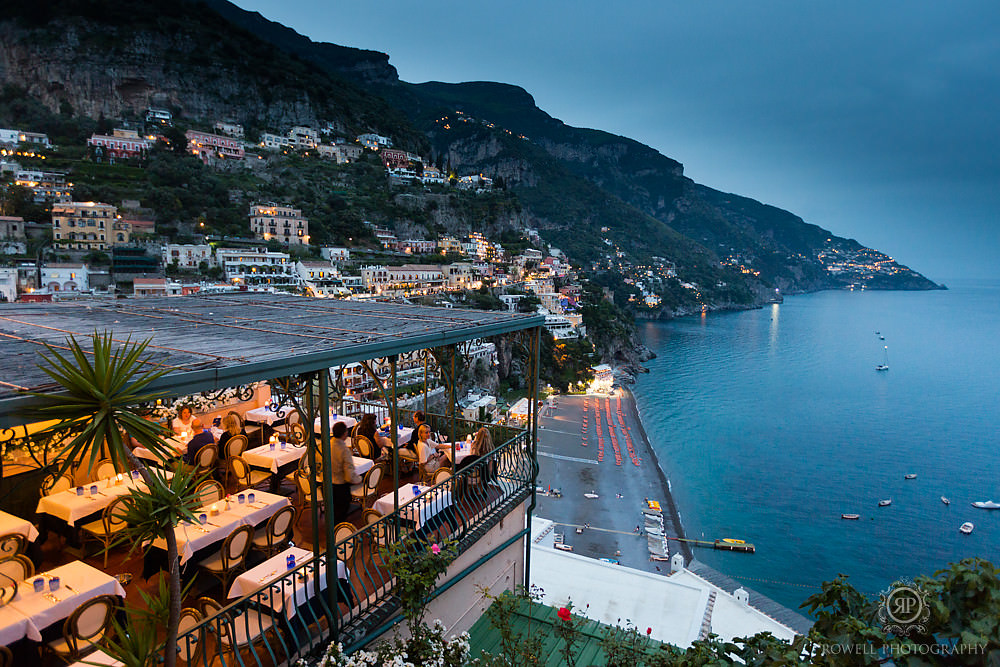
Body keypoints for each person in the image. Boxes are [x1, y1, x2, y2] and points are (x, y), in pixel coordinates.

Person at [328, 421, 361, 524]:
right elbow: (349, 474)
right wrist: (359, 479)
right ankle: (339, 534)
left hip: (327, 483)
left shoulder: (327, 444)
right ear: (345, 433)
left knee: (332, 511)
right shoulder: (343, 450)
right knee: (340, 515)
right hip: (340, 486)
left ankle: (331, 534)